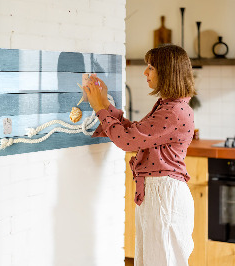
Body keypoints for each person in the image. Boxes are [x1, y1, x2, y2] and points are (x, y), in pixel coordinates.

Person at [84, 44, 196, 266]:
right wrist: (105, 103)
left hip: (164, 195)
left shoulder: (173, 111)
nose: (145, 72)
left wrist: (99, 108)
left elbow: (127, 141)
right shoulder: (169, 106)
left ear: (167, 72)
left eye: (151, 67)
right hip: (159, 193)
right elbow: (135, 133)